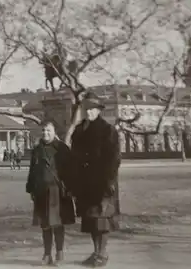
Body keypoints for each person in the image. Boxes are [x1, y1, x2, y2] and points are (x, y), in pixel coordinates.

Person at [71, 93, 121, 267]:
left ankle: (102, 254)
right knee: (91, 219)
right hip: (85, 183)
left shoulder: (107, 130)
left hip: (102, 182)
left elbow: (114, 158)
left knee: (102, 219)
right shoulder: (79, 130)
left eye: (92, 109)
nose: (89, 112)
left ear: (99, 110)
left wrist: (109, 181)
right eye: (86, 109)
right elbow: (74, 155)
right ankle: (96, 252)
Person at [26, 120, 75, 266]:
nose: (45, 133)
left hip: (58, 192)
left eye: (48, 130)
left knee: (58, 223)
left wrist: (69, 188)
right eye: (43, 130)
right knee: (45, 224)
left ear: (55, 132)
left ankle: (59, 253)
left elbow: (70, 172)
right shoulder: (37, 150)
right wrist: (31, 188)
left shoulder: (62, 149)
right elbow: (32, 171)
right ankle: (47, 254)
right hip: (41, 191)